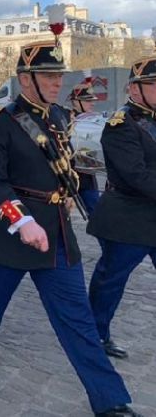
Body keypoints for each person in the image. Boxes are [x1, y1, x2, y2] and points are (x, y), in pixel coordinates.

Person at [0, 39, 139, 417]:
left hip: (55, 233)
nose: (57, 82)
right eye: (48, 76)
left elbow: (65, 166)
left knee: (78, 318)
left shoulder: (59, 117)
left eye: (59, 75)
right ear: (26, 79)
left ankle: (110, 399)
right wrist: (21, 219)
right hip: (9, 235)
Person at [87, 56, 156, 362]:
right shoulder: (121, 124)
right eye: (154, 85)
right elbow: (135, 175)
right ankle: (96, 334)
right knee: (111, 280)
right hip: (128, 217)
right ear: (135, 88)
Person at [68, 80, 100, 216]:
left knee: (98, 216)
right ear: (76, 101)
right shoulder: (65, 119)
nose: (92, 103)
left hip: (87, 177)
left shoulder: (92, 120)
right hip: (68, 176)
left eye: (92, 100)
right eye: (87, 100)